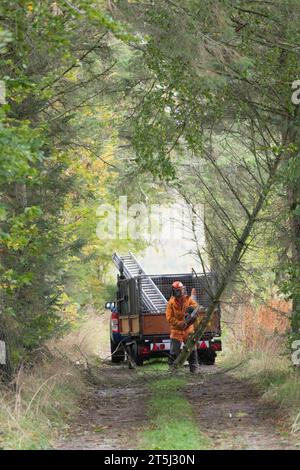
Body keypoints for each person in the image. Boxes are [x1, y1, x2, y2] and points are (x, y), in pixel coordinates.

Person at [166, 281, 200, 373]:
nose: (180, 292)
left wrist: (191, 309)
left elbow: (196, 306)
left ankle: (194, 368)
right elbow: (169, 318)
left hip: (188, 330)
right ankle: (172, 369)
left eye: (181, 290)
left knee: (192, 349)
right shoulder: (171, 303)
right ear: (174, 291)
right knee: (174, 352)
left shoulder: (188, 299)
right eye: (177, 291)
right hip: (176, 331)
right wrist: (180, 323)